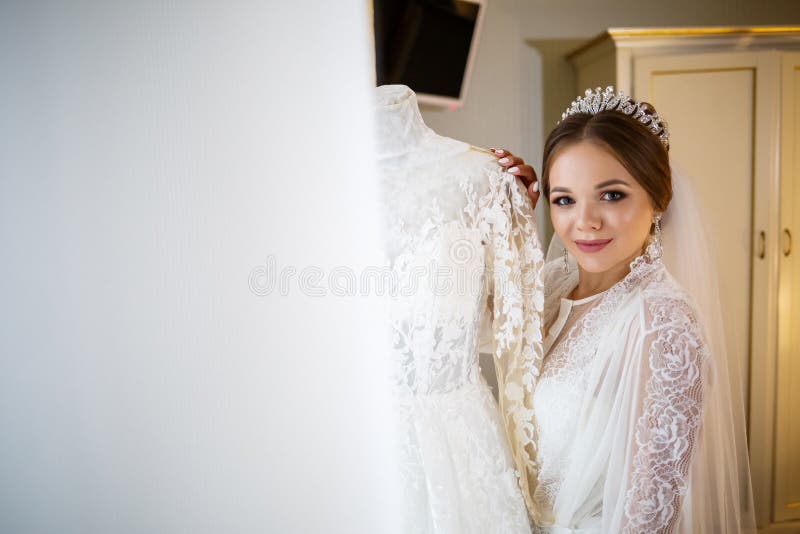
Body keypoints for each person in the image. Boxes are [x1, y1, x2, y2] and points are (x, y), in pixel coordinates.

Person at [491, 87, 755, 532]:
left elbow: (647, 518)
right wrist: (511, 219)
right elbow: (464, 334)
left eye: (611, 195)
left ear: (657, 199)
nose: (585, 221)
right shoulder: (553, 284)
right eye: (564, 199)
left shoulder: (664, 325)